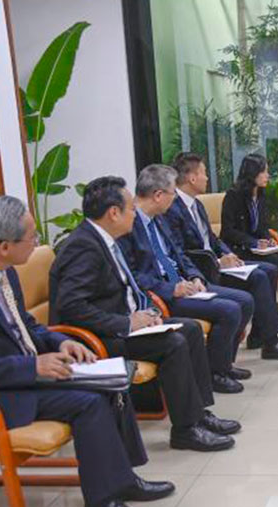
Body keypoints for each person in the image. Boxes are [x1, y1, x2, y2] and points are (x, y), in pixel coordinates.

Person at [0, 195, 170, 507]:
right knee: (87, 403)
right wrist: (32, 368)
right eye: (32, 237)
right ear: (4, 245)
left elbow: (26, 325)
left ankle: (123, 480)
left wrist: (59, 343)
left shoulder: (2, 271)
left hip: (20, 376)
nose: (38, 243)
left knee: (114, 376)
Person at [50, 176, 241, 452]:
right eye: (130, 208)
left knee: (189, 329)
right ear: (113, 213)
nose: (134, 214)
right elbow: (71, 308)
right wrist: (127, 322)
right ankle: (185, 430)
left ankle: (198, 414)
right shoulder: (83, 246)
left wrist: (145, 313)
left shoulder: (104, 239)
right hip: (98, 337)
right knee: (173, 343)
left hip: (126, 321)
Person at [118, 165, 254, 394]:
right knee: (229, 310)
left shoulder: (159, 219)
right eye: (172, 193)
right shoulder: (128, 226)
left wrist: (195, 276)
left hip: (185, 283)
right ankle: (214, 374)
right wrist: (172, 289)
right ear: (158, 195)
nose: (175, 199)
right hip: (163, 294)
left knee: (245, 300)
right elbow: (134, 275)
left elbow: (179, 253)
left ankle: (222, 364)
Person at [166, 153, 278, 358]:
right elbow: (180, 253)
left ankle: (260, 335)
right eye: (204, 173)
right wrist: (218, 261)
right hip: (203, 271)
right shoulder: (173, 210)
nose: (208, 178)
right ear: (192, 178)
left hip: (220, 260)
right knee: (259, 275)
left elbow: (213, 240)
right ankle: (272, 343)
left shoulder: (195, 204)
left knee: (269, 269)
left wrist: (227, 254)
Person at [219, 153, 278, 319]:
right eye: (264, 172)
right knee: (271, 266)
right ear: (253, 173)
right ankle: (267, 308)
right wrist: (253, 242)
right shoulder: (234, 195)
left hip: (255, 247)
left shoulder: (260, 194)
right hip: (237, 248)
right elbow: (227, 231)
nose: (268, 175)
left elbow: (261, 225)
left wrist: (267, 239)